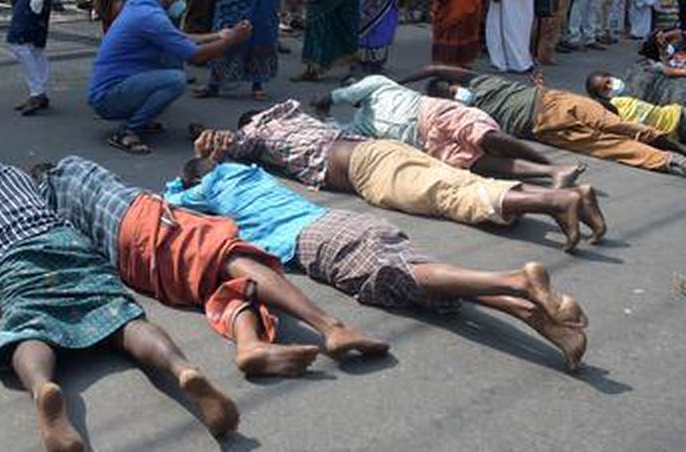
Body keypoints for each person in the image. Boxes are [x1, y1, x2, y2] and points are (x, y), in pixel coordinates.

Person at [0, 129, 240, 452]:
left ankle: (43, 388)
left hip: (13, 261)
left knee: (29, 324)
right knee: (122, 316)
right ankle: (182, 370)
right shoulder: (12, 172)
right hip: (65, 241)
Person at [167, 158, 589, 372]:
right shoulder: (247, 171)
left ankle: (516, 280)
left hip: (313, 239)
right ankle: (546, 323)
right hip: (344, 221)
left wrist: (185, 183)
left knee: (399, 278)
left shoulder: (205, 190)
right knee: (428, 281)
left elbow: (169, 201)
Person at [34, 156, 389, 377]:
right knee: (232, 256)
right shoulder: (70, 168)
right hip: (145, 220)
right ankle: (332, 328)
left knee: (219, 285)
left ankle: (250, 345)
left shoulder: (49, 210)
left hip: (134, 266)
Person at [189, 100, 604, 252]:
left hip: (367, 169)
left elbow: (231, 148)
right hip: (381, 151)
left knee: (450, 197)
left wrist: (210, 146)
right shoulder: (298, 116)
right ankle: (574, 195)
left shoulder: (258, 130)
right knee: (462, 184)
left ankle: (557, 201)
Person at [406, 64, 686, 178]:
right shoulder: (463, 116)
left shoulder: (477, 80)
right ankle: (669, 161)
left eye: (451, 88)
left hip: (554, 102)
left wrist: (398, 82)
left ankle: (675, 147)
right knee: (607, 146)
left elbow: (434, 68)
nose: (456, 94)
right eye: (448, 95)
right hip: (539, 128)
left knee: (621, 127)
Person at [88, 0, 252, 154]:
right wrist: (232, 40)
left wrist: (219, 35)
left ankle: (141, 118)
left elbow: (177, 38)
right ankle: (128, 130)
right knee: (175, 79)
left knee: (172, 59)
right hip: (107, 97)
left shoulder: (140, 4)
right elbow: (196, 56)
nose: (180, 2)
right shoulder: (150, 16)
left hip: (114, 88)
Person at [315, 74, 585, 184]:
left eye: (353, 84)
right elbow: (337, 130)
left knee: (486, 137)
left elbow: (337, 96)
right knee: (476, 162)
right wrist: (325, 117)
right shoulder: (359, 122)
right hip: (424, 142)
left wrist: (324, 101)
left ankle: (552, 165)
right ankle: (550, 173)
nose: (352, 88)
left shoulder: (376, 83)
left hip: (431, 112)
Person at [585, 71, 686, 141]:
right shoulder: (614, 108)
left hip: (678, 116)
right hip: (673, 131)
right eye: (605, 89)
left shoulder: (635, 83)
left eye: (609, 82)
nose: (611, 87)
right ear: (601, 97)